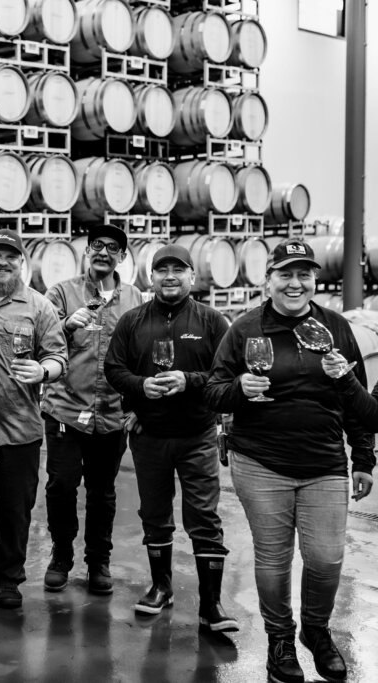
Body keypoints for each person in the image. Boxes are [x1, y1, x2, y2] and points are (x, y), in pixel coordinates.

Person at [204, 238, 374, 683]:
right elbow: (212, 392)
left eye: (305, 274)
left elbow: (357, 403)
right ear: (269, 280)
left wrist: (364, 459)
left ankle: (315, 631)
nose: (296, 283)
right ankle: (280, 638)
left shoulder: (336, 327)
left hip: (324, 462)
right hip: (261, 461)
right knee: (274, 559)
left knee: (326, 558)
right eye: (286, 274)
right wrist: (239, 388)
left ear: (315, 279)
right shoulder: (244, 329)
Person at [104, 244, 237, 631]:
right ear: (151, 277)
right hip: (149, 437)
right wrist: (140, 388)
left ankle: (211, 605)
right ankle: (161, 586)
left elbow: (223, 376)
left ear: (192, 276)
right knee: (155, 516)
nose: (169, 276)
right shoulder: (132, 321)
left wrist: (188, 380)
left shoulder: (213, 322)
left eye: (178, 269)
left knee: (204, 517)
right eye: (161, 269)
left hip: (197, 436)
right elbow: (114, 369)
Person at [0, 230, 67, 620]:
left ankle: (9, 579)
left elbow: (59, 357)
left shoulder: (38, 306)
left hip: (22, 428)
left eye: (11, 256)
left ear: (22, 262)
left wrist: (43, 369)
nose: (3, 262)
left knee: (15, 511)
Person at [40, 223, 143, 595]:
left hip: (112, 412)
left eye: (112, 247)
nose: (103, 251)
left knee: (103, 492)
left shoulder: (135, 299)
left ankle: (98, 560)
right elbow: (42, 344)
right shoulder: (61, 293)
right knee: (61, 485)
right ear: (87, 251)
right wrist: (67, 325)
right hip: (66, 409)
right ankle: (61, 554)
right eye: (96, 245)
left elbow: (142, 357)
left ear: (122, 256)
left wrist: (138, 408)